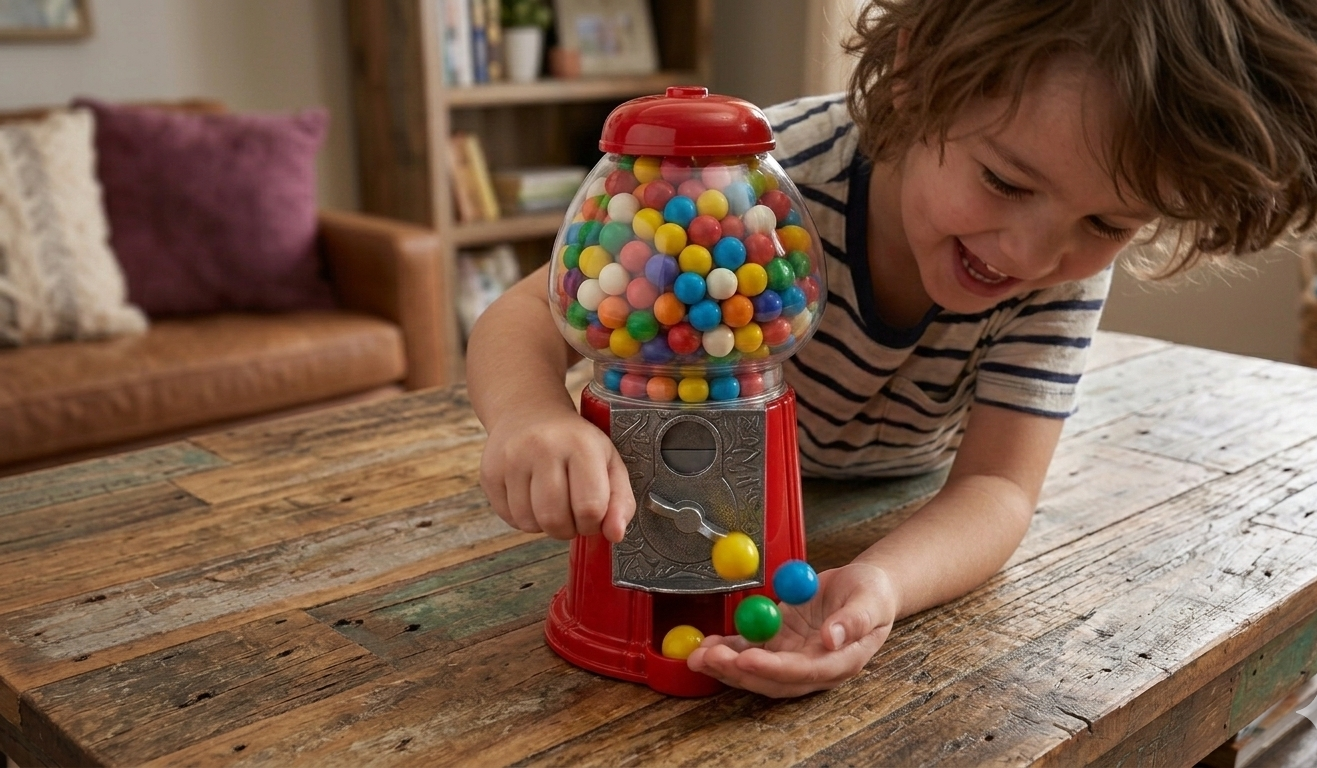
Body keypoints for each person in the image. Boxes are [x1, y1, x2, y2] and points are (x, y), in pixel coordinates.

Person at [466, 0, 1317, 697]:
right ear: (916, 83)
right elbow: (523, 317)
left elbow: (996, 486)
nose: (1028, 253)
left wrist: (880, 585)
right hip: (672, 492)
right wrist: (529, 419)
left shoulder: (1058, 274)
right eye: (1004, 182)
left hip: (896, 490)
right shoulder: (752, 190)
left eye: (1104, 224)